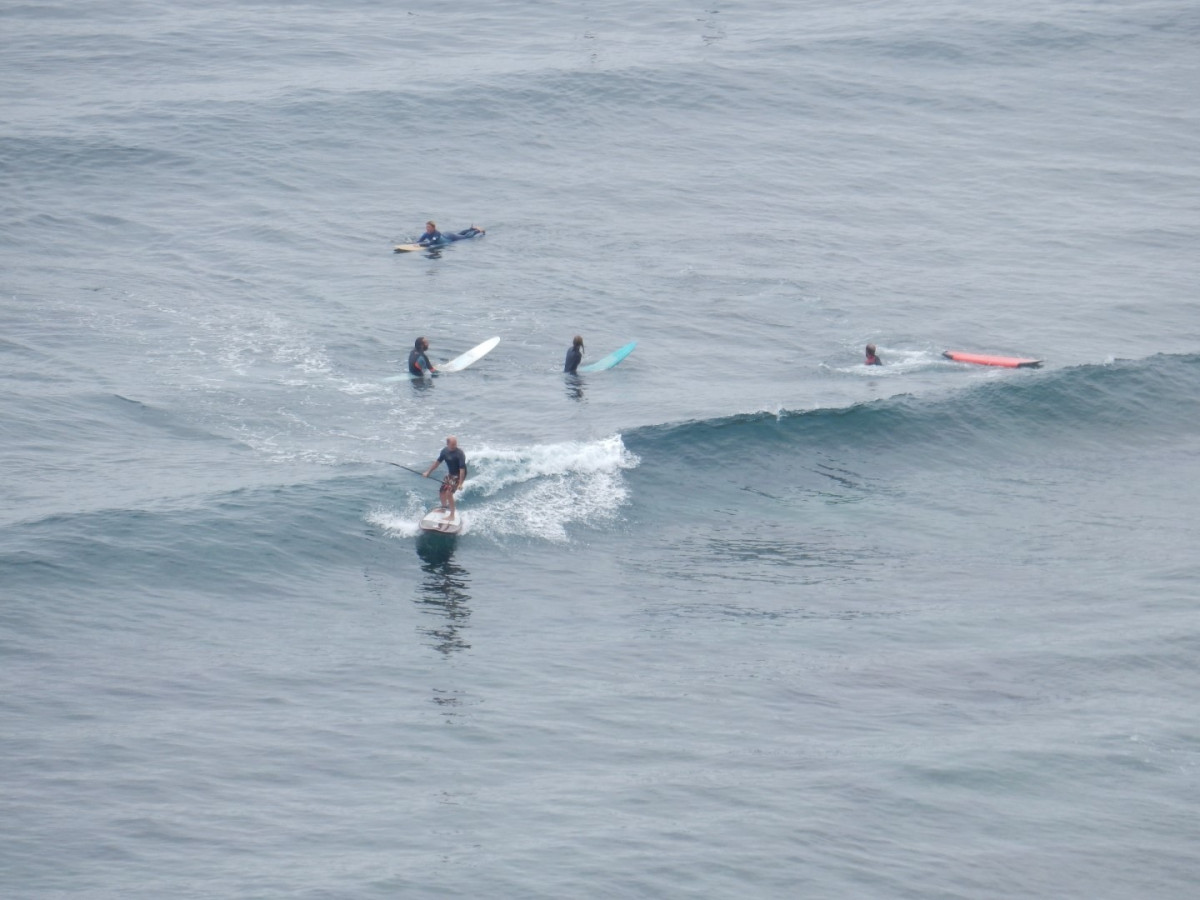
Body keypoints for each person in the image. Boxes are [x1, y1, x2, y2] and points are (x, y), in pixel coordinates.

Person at [423, 435, 467, 518]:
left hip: (459, 475)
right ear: (447, 444)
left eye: (456, 444)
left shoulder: (460, 453)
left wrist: (460, 483)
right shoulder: (444, 452)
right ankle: (443, 509)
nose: (455, 446)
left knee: (449, 493)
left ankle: (452, 515)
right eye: (453, 444)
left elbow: (462, 470)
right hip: (451, 474)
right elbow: (437, 463)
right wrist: (428, 472)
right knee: (442, 491)